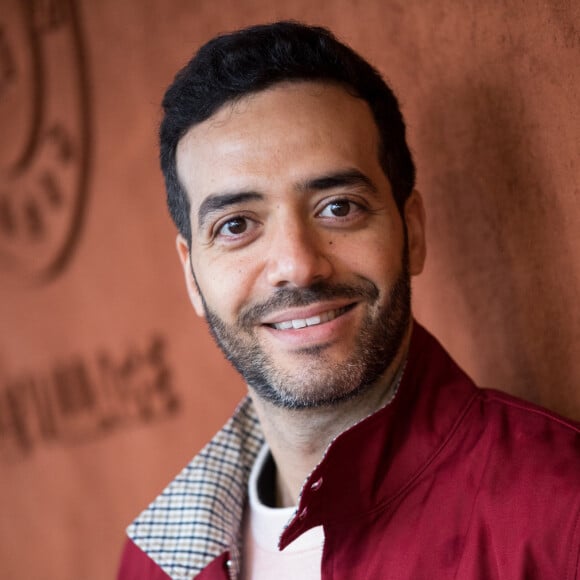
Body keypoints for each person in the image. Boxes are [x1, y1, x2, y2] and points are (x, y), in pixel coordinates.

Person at [118, 21, 580, 580]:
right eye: (237, 224)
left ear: (413, 232)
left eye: (338, 207)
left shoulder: (560, 511)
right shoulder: (157, 564)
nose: (298, 265)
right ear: (192, 276)